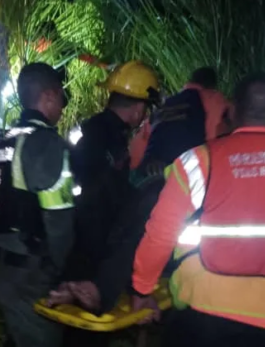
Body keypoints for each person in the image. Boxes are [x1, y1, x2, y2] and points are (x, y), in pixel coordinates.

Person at [130, 73, 265, 347]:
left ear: (232, 111)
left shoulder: (198, 161)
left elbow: (161, 233)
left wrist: (142, 288)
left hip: (207, 312)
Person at [58, 61, 161, 346]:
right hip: (95, 240)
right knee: (87, 328)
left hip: (75, 233)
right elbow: (107, 193)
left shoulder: (93, 129)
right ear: (139, 108)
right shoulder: (111, 139)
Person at [0, 62, 75, 347]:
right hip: (23, 271)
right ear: (50, 96)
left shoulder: (3, 140)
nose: (62, 109)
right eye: (61, 101)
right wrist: (60, 272)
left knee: (18, 333)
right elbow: (59, 222)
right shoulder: (47, 144)